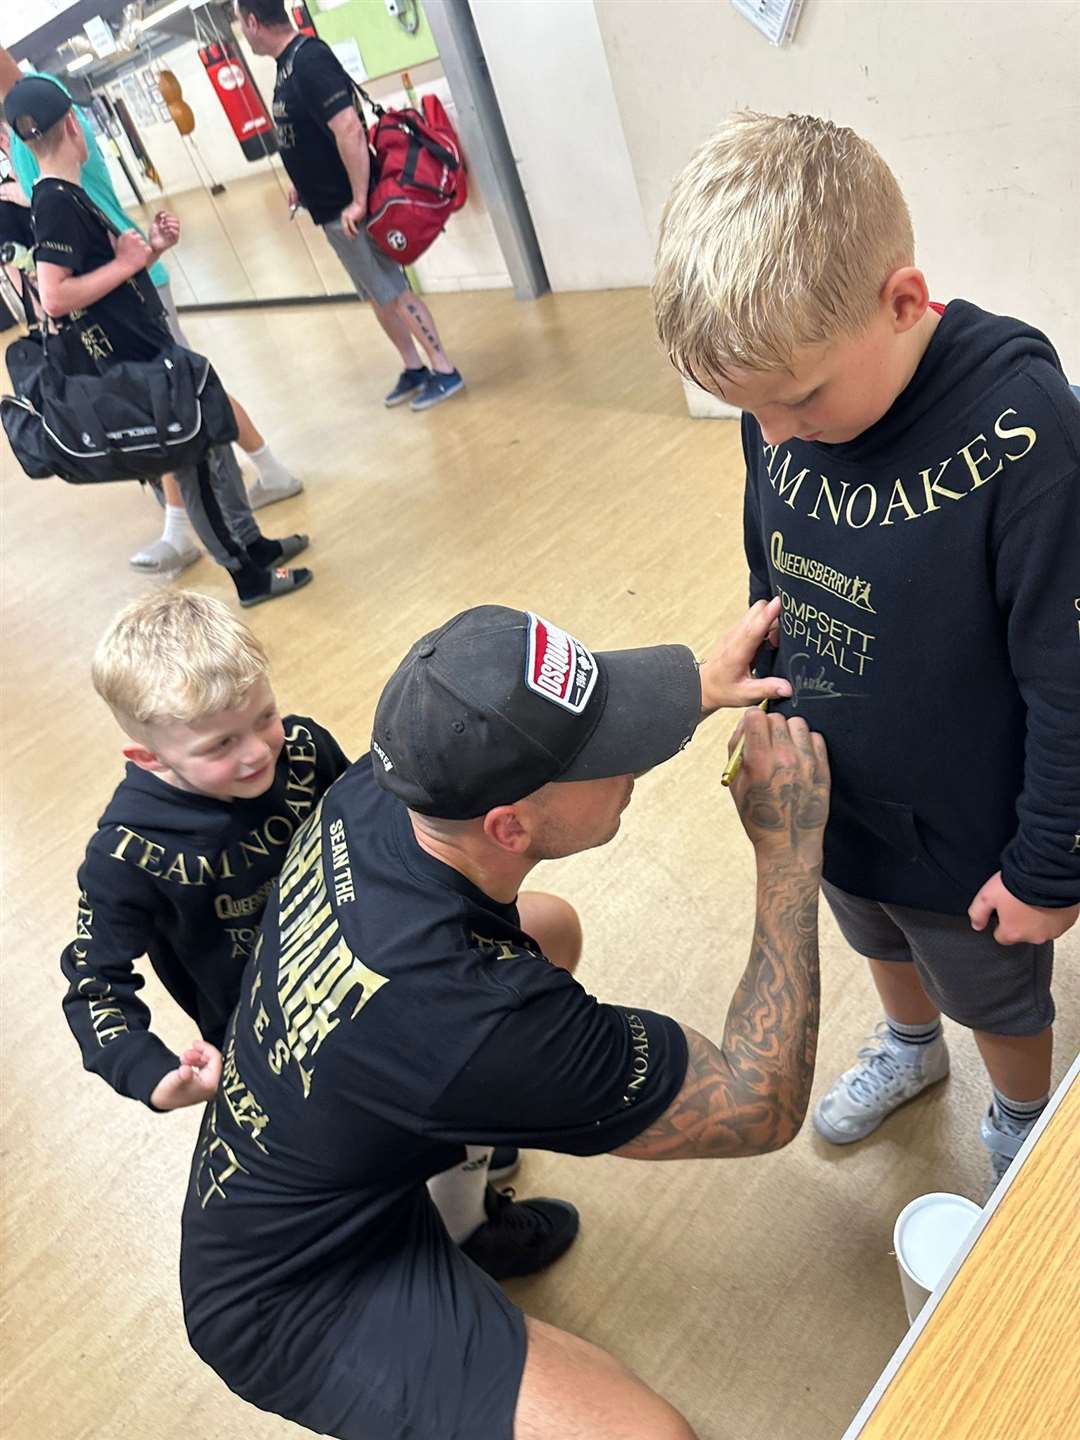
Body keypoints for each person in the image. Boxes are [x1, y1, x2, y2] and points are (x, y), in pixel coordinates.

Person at [179, 599, 827, 1440]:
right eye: (609, 751)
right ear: (509, 827)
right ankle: (448, 1233)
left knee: (547, 928)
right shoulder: (480, 1018)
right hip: (294, 1296)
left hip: (330, 1139)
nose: (635, 756)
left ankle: (464, 1220)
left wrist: (697, 692)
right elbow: (759, 1101)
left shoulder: (382, 786)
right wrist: (788, 851)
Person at [653, 112, 1080, 1195]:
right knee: (875, 931)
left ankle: (1022, 1123)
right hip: (838, 784)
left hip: (974, 825)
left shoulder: (1026, 432)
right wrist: (759, 640)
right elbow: (773, 544)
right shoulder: (783, 407)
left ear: (903, 303)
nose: (776, 433)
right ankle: (907, 1047)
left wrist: (1050, 863)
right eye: (749, 411)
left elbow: (1068, 675)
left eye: (797, 400)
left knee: (991, 988)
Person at [65, 588, 590, 1275]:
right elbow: (92, 983)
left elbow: (377, 830)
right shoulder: (128, 853)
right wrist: (154, 1073)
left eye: (264, 718)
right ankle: (466, 1233)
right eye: (221, 745)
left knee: (546, 933)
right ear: (148, 758)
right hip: (291, 1041)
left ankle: (474, 1149)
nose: (258, 753)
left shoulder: (305, 749)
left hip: (387, 958)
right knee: (435, 1106)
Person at [5, 75, 312, 607]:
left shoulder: (69, 195)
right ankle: (247, 577)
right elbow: (55, 297)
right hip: (137, 364)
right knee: (197, 467)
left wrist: (151, 252)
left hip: (151, 346)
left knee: (214, 443)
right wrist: (128, 261)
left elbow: (109, 278)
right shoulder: (53, 201)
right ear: (76, 128)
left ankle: (255, 545)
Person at [236, 0, 466, 412]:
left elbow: (349, 130)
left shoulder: (308, 59)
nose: (242, 31)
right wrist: (300, 184)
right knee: (376, 294)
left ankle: (445, 369)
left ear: (253, 21)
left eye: (240, 22)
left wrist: (359, 200)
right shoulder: (287, 65)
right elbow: (309, 133)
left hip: (351, 208)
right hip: (329, 208)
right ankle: (414, 366)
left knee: (392, 290)